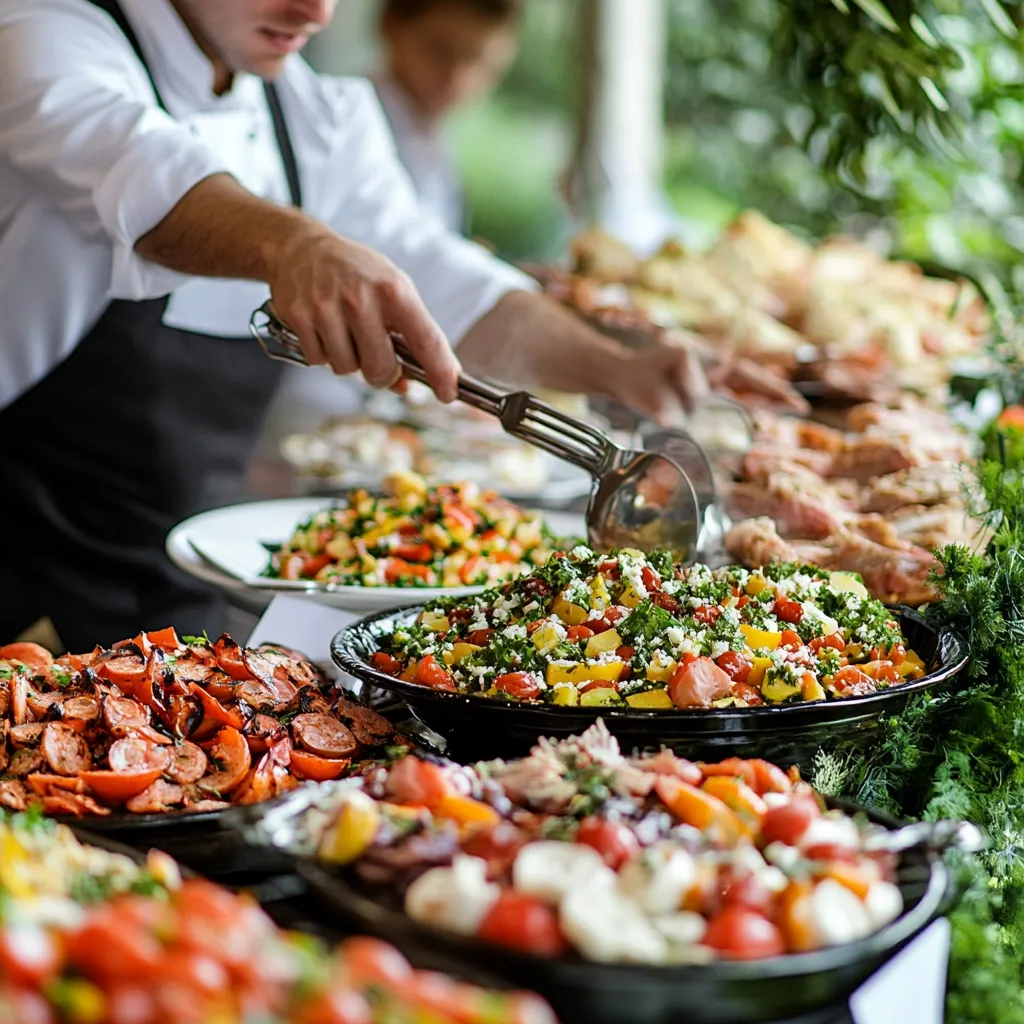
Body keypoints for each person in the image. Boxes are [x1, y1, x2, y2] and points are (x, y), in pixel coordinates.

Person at [0, 0, 709, 652]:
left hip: (171, 590)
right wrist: (297, 247)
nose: (316, 10)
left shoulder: (313, 117)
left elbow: (444, 280)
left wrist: (618, 365)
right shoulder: (41, 35)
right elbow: (146, 177)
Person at [372, 0, 520, 234]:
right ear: (389, 27)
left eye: (475, 58)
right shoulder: (353, 128)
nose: (455, 76)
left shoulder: (433, 136)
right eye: (438, 50)